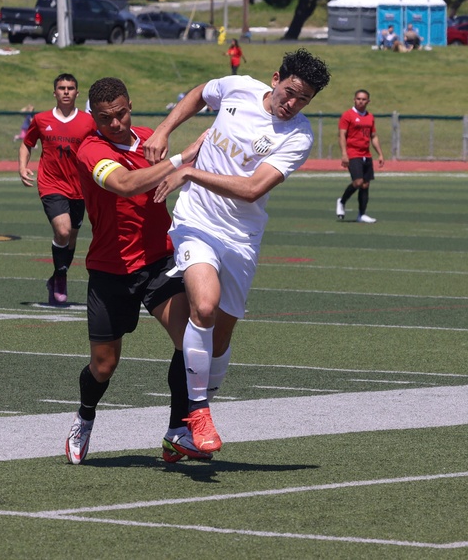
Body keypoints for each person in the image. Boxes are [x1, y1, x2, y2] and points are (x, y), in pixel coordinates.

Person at [141, 48, 331, 456]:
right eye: (291, 92)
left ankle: (180, 431)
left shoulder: (299, 135)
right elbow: (199, 93)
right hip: (196, 222)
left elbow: (252, 190)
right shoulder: (239, 88)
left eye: (304, 100)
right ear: (276, 78)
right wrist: (163, 129)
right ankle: (197, 414)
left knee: (221, 339)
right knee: (204, 309)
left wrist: (189, 170)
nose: (293, 104)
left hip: (241, 239)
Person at [65, 77, 207, 465]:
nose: (116, 123)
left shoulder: (149, 139)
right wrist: (181, 158)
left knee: (190, 340)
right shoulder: (90, 150)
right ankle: (85, 416)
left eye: (122, 113)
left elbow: (165, 183)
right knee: (103, 365)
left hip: (160, 262)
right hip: (111, 269)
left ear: (131, 106)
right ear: (94, 117)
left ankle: (178, 431)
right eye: (106, 117)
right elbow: (126, 185)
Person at [18, 73, 95, 306]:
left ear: (77, 93)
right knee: (62, 231)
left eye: (70, 88)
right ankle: (61, 278)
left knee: (71, 238)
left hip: (80, 188)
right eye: (61, 88)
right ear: (54, 92)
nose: (65, 91)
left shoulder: (89, 122)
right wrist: (22, 166)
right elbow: (27, 143)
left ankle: (56, 277)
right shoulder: (41, 119)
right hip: (51, 184)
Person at [336, 89, 385, 223]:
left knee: (365, 185)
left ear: (368, 101)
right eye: (358, 98)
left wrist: (380, 154)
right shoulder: (348, 115)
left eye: (364, 99)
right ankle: (342, 201)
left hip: (366, 154)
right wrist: (344, 154)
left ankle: (361, 214)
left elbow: (373, 137)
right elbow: (342, 135)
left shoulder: (370, 117)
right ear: (354, 99)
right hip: (353, 153)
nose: (361, 101)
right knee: (358, 182)